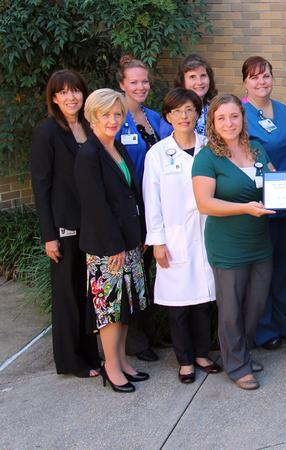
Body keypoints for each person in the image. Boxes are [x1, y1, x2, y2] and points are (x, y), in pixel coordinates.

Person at [192, 94, 276, 390]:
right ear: (213, 123)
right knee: (230, 309)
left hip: (259, 241)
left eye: (234, 116)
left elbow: (276, 185)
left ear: (243, 118)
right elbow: (205, 203)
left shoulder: (256, 150)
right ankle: (237, 365)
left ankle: (240, 352)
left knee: (255, 304)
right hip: (227, 244)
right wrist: (244, 207)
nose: (229, 123)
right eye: (221, 118)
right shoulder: (207, 157)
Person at [73, 88, 149, 393]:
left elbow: (131, 195)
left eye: (118, 114)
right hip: (108, 248)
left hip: (129, 242)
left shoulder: (117, 147)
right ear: (93, 116)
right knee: (110, 309)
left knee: (125, 306)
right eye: (106, 114)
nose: (113, 119)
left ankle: (122, 361)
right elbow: (95, 205)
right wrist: (115, 245)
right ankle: (111, 366)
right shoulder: (88, 154)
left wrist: (140, 235)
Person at [142, 88, 220, 384]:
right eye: (177, 111)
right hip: (174, 237)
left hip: (208, 232)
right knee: (178, 304)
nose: (184, 116)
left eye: (189, 110)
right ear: (168, 116)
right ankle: (185, 360)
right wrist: (158, 242)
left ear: (198, 113)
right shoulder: (158, 154)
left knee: (203, 300)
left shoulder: (211, 146)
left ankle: (202, 354)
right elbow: (152, 202)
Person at [30, 69, 101, 379]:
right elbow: (41, 186)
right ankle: (70, 361)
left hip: (92, 224)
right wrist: (49, 235)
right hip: (64, 226)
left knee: (87, 293)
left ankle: (89, 353)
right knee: (68, 294)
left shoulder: (89, 126)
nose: (71, 97)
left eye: (76, 91)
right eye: (64, 92)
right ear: (54, 98)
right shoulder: (47, 132)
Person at [242, 56, 286, 352]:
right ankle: (263, 328)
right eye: (254, 77)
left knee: (281, 265)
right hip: (260, 204)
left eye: (265, 76)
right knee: (263, 268)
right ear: (245, 82)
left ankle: (283, 319)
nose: (261, 82)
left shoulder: (284, 110)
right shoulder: (240, 113)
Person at [115, 55, 163, 362]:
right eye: (133, 82)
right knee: (131, 272)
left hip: (155, 204)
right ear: (121, 84)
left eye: (144, 81)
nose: (140, 86)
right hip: (129, 207)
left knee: (147, 270)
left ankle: (147, 332)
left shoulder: (155, 117)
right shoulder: (115, 118)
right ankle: (134, 340)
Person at [160, 54, 218, 137]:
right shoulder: (174, 112)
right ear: (182, 81)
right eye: (192, 77)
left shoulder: (215, 108)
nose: (199, 82)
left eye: (203, 76)